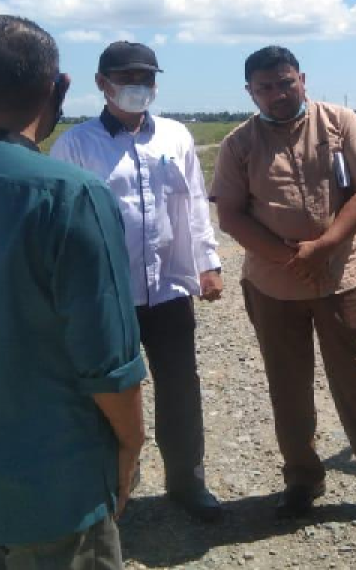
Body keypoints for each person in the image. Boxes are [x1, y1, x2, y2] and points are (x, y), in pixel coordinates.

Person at [0, 15, 146, 569]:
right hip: (55, 482)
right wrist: (130, 448)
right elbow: (108, 360)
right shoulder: (73, 195)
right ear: (59, 88)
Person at [211, 45, 356, 525]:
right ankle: (302, 478)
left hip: (342, 276)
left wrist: (324, 246)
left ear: (302, 77)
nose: (277, 94)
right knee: (288, 386)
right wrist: (291, 258)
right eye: (264, 88)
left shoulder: (340, 122)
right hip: (274, 285)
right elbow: (231, 213)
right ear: (249, 92)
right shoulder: (239, 143)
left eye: (285, 82)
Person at [50, 40, 224, 522]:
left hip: (167, 290)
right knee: (108, 395)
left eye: (146, 79)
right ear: (102, 84)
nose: (137, 88)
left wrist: (207, 264)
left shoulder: (175, 137)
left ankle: (188, 483)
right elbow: (66, 222)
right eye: (126, 78)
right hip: (108, 296)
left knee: (180, 390)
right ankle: (111, 490)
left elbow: (191, 205)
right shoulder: (76, 144)